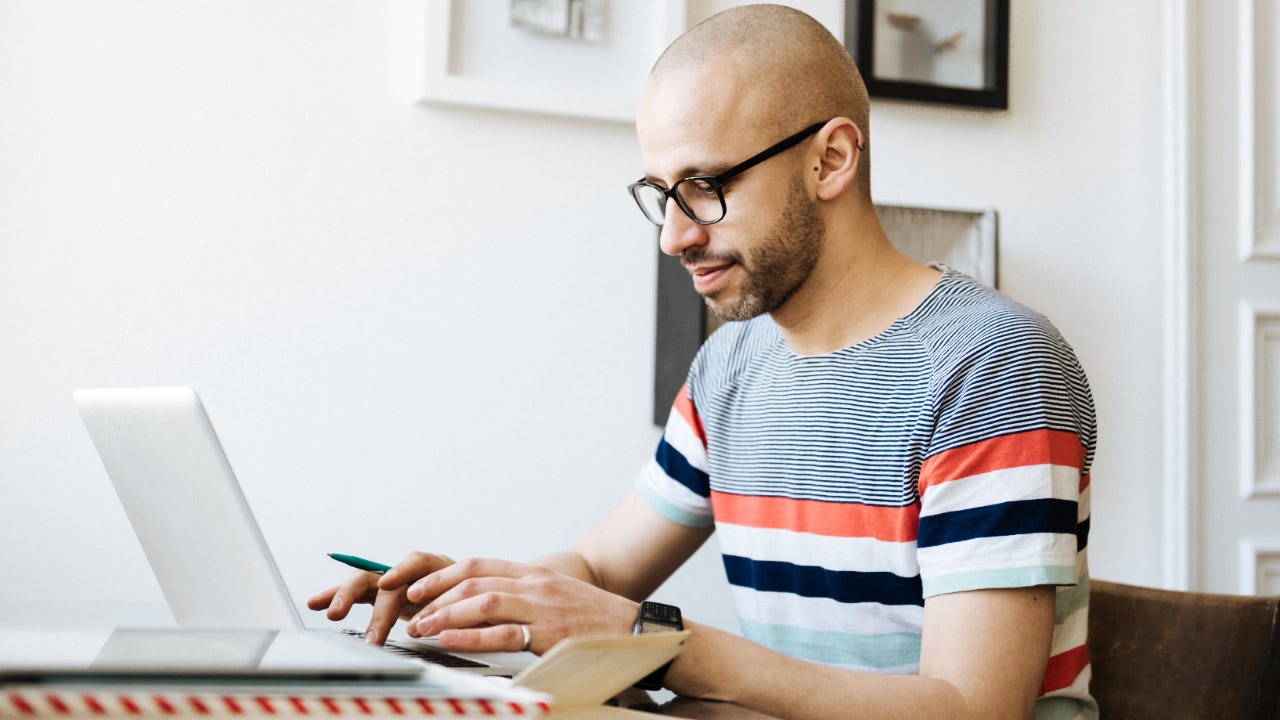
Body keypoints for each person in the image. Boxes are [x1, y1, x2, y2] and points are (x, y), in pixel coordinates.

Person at [307, 5, 1097, 719]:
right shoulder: (732, 367)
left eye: (706, 185)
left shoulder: (990, 366)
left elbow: (974, 709)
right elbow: (602, 571)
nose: (674, 236)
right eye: (662, 193)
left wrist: (664, 642)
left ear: (830, 161)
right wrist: (475, 598)